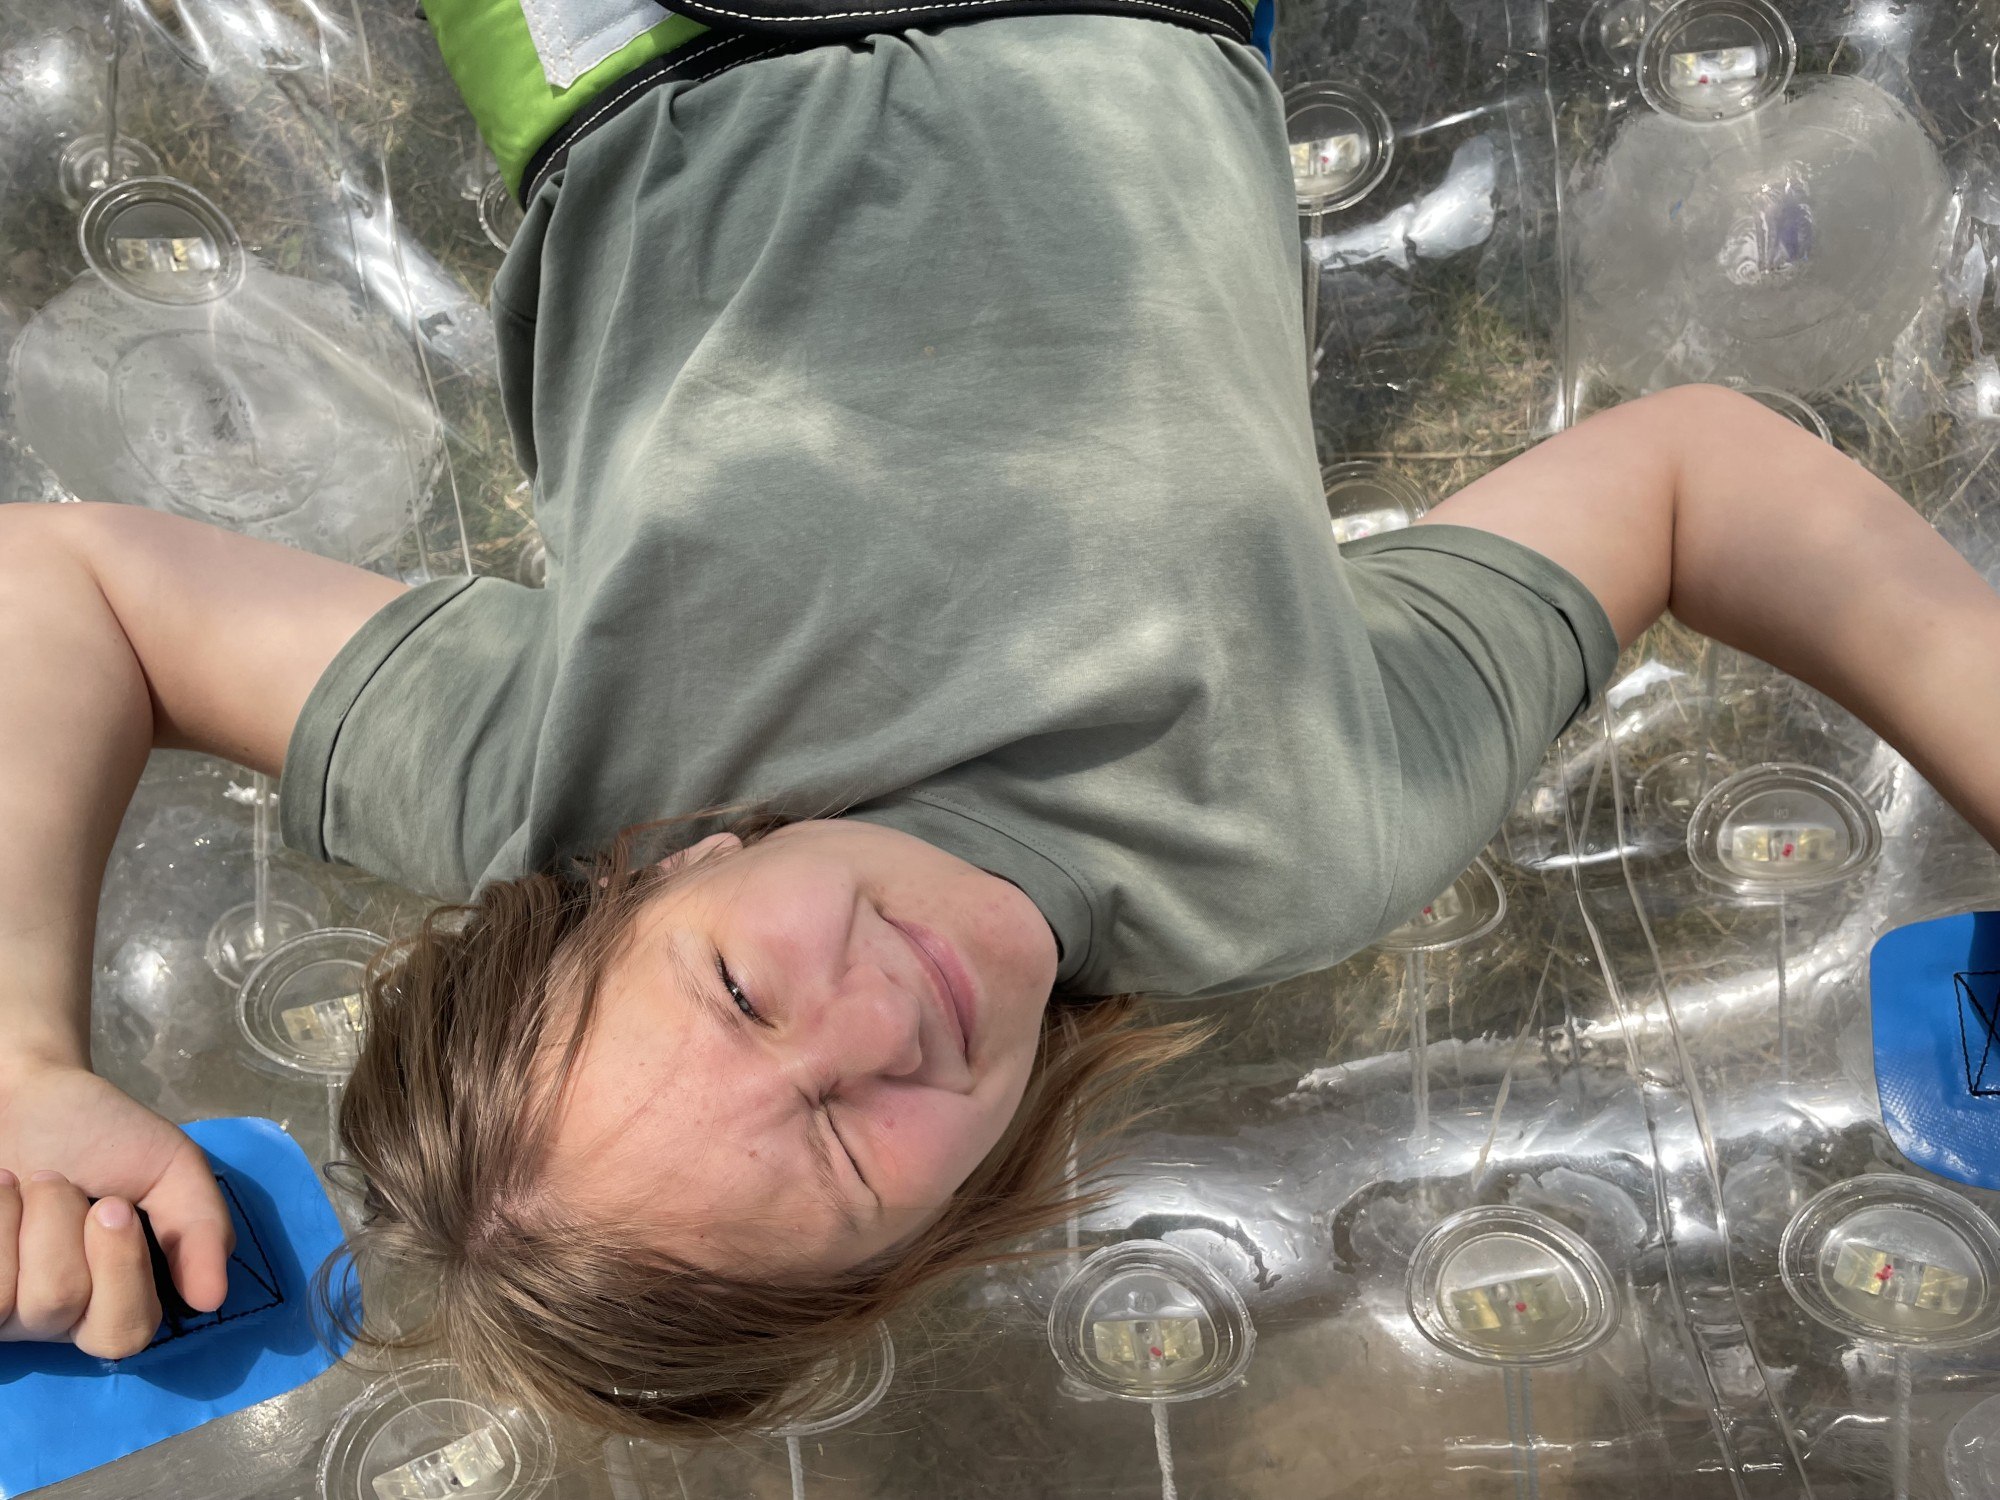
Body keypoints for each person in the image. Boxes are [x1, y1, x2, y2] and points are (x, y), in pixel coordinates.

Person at [3, 0, 1999, 1442]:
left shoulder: (558, 781)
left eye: (741, 997)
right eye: (846, 1150)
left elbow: (60, 586)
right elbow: (1696, 476)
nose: (876, 1023)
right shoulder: (1289, 845)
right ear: (950, 1218)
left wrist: (23, 1057)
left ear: (648, 878)